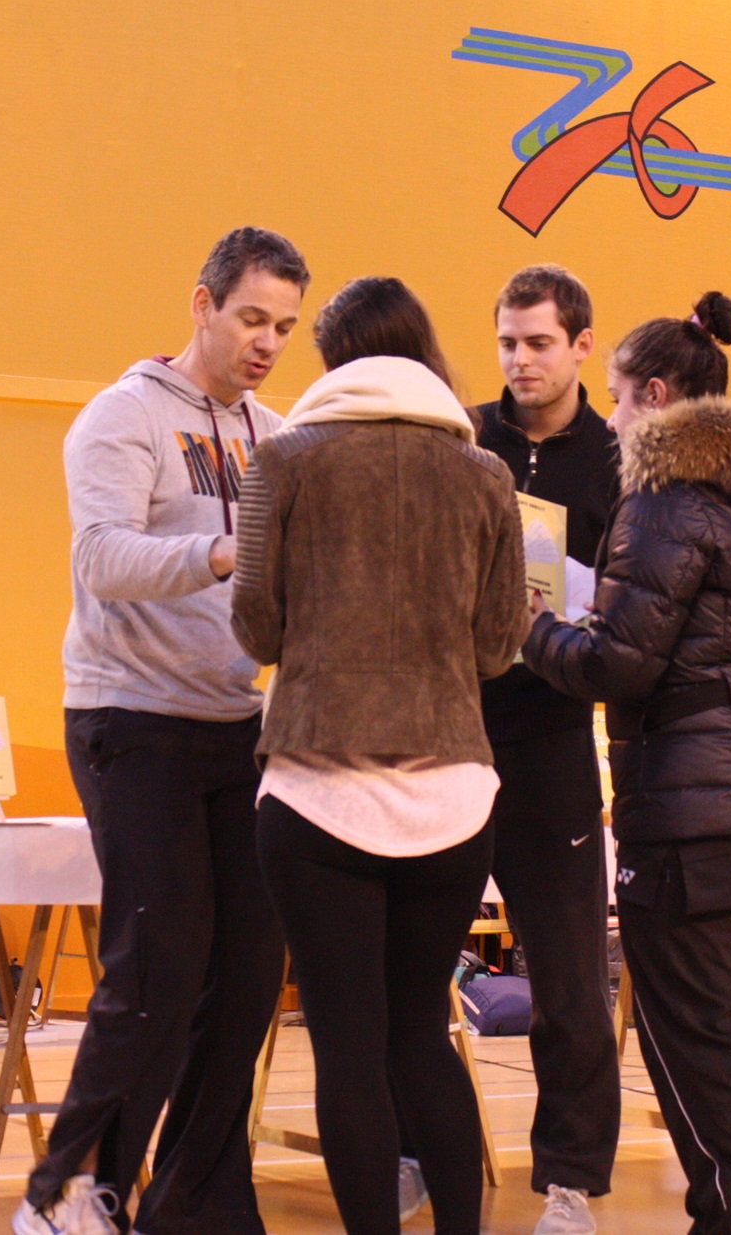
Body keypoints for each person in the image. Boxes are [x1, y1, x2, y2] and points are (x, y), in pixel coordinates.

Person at [524, 294, 731, 1235]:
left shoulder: (665, 502)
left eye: (618, 397)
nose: (610, 416)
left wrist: (527, 625)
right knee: (719, 1029)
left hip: (690, 798)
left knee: (691, 1036)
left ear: (657, 397)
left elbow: (616, 663)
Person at [17, 228, 309, 1235]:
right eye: (251, 318)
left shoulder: (277, 435)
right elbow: (102, 557)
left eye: (285, 326)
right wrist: (227, 553)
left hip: (239, 727)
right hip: (130, 718)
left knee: (248, 976)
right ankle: (64, 1191)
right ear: (202, 304)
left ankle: (194, 1201)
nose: (267, 341)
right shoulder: (124, 414)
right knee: (157, 967)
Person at [231, 277, 527, 1235]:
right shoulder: (486, 475)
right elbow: (499, 646)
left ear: (332, 362)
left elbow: (256, 626)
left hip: (317, 792)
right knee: (421, 1037)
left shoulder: (284, 459)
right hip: (454, 797)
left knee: (349, 1048)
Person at [455, 264, 621, 1235]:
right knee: (412, 969)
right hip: (449, 738)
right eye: (508, 343)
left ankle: (569, 1181)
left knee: (569, 981)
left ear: (581, 345)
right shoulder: (463, 438)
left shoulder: (613, 461)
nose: (520, 361)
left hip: (553, 740)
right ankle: (416, 1148)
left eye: (539, 343)